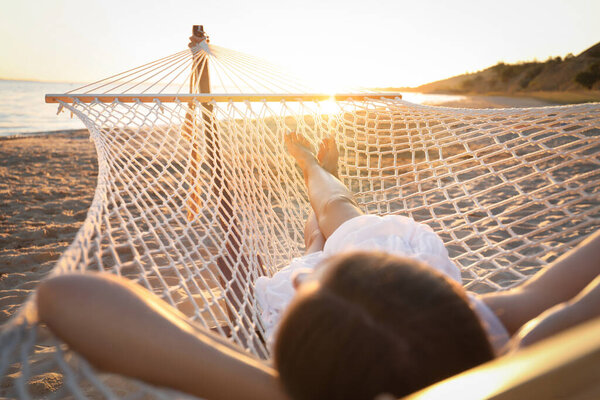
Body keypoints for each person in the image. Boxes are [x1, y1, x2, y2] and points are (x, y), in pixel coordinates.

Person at [37, 133, 600, 400]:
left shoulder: (514, 334)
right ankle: (315, 172)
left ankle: (316, 183)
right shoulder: (506, 340)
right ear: (447, 295)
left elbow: (65, 297)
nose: (304, 275)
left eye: (310, 280)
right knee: (339, 214)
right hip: (369, 309)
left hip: (363, 311)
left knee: (330, 222)